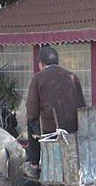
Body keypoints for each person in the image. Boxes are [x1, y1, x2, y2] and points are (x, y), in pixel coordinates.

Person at [25, 46, 86, 178]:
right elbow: (82, 105)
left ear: (41, 63)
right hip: (73, 128)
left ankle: (34, 165)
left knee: (31, 122)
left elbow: (32, 111)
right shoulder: (72, 76)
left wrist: (32, 118)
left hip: (51, 129)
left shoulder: (38, 78)